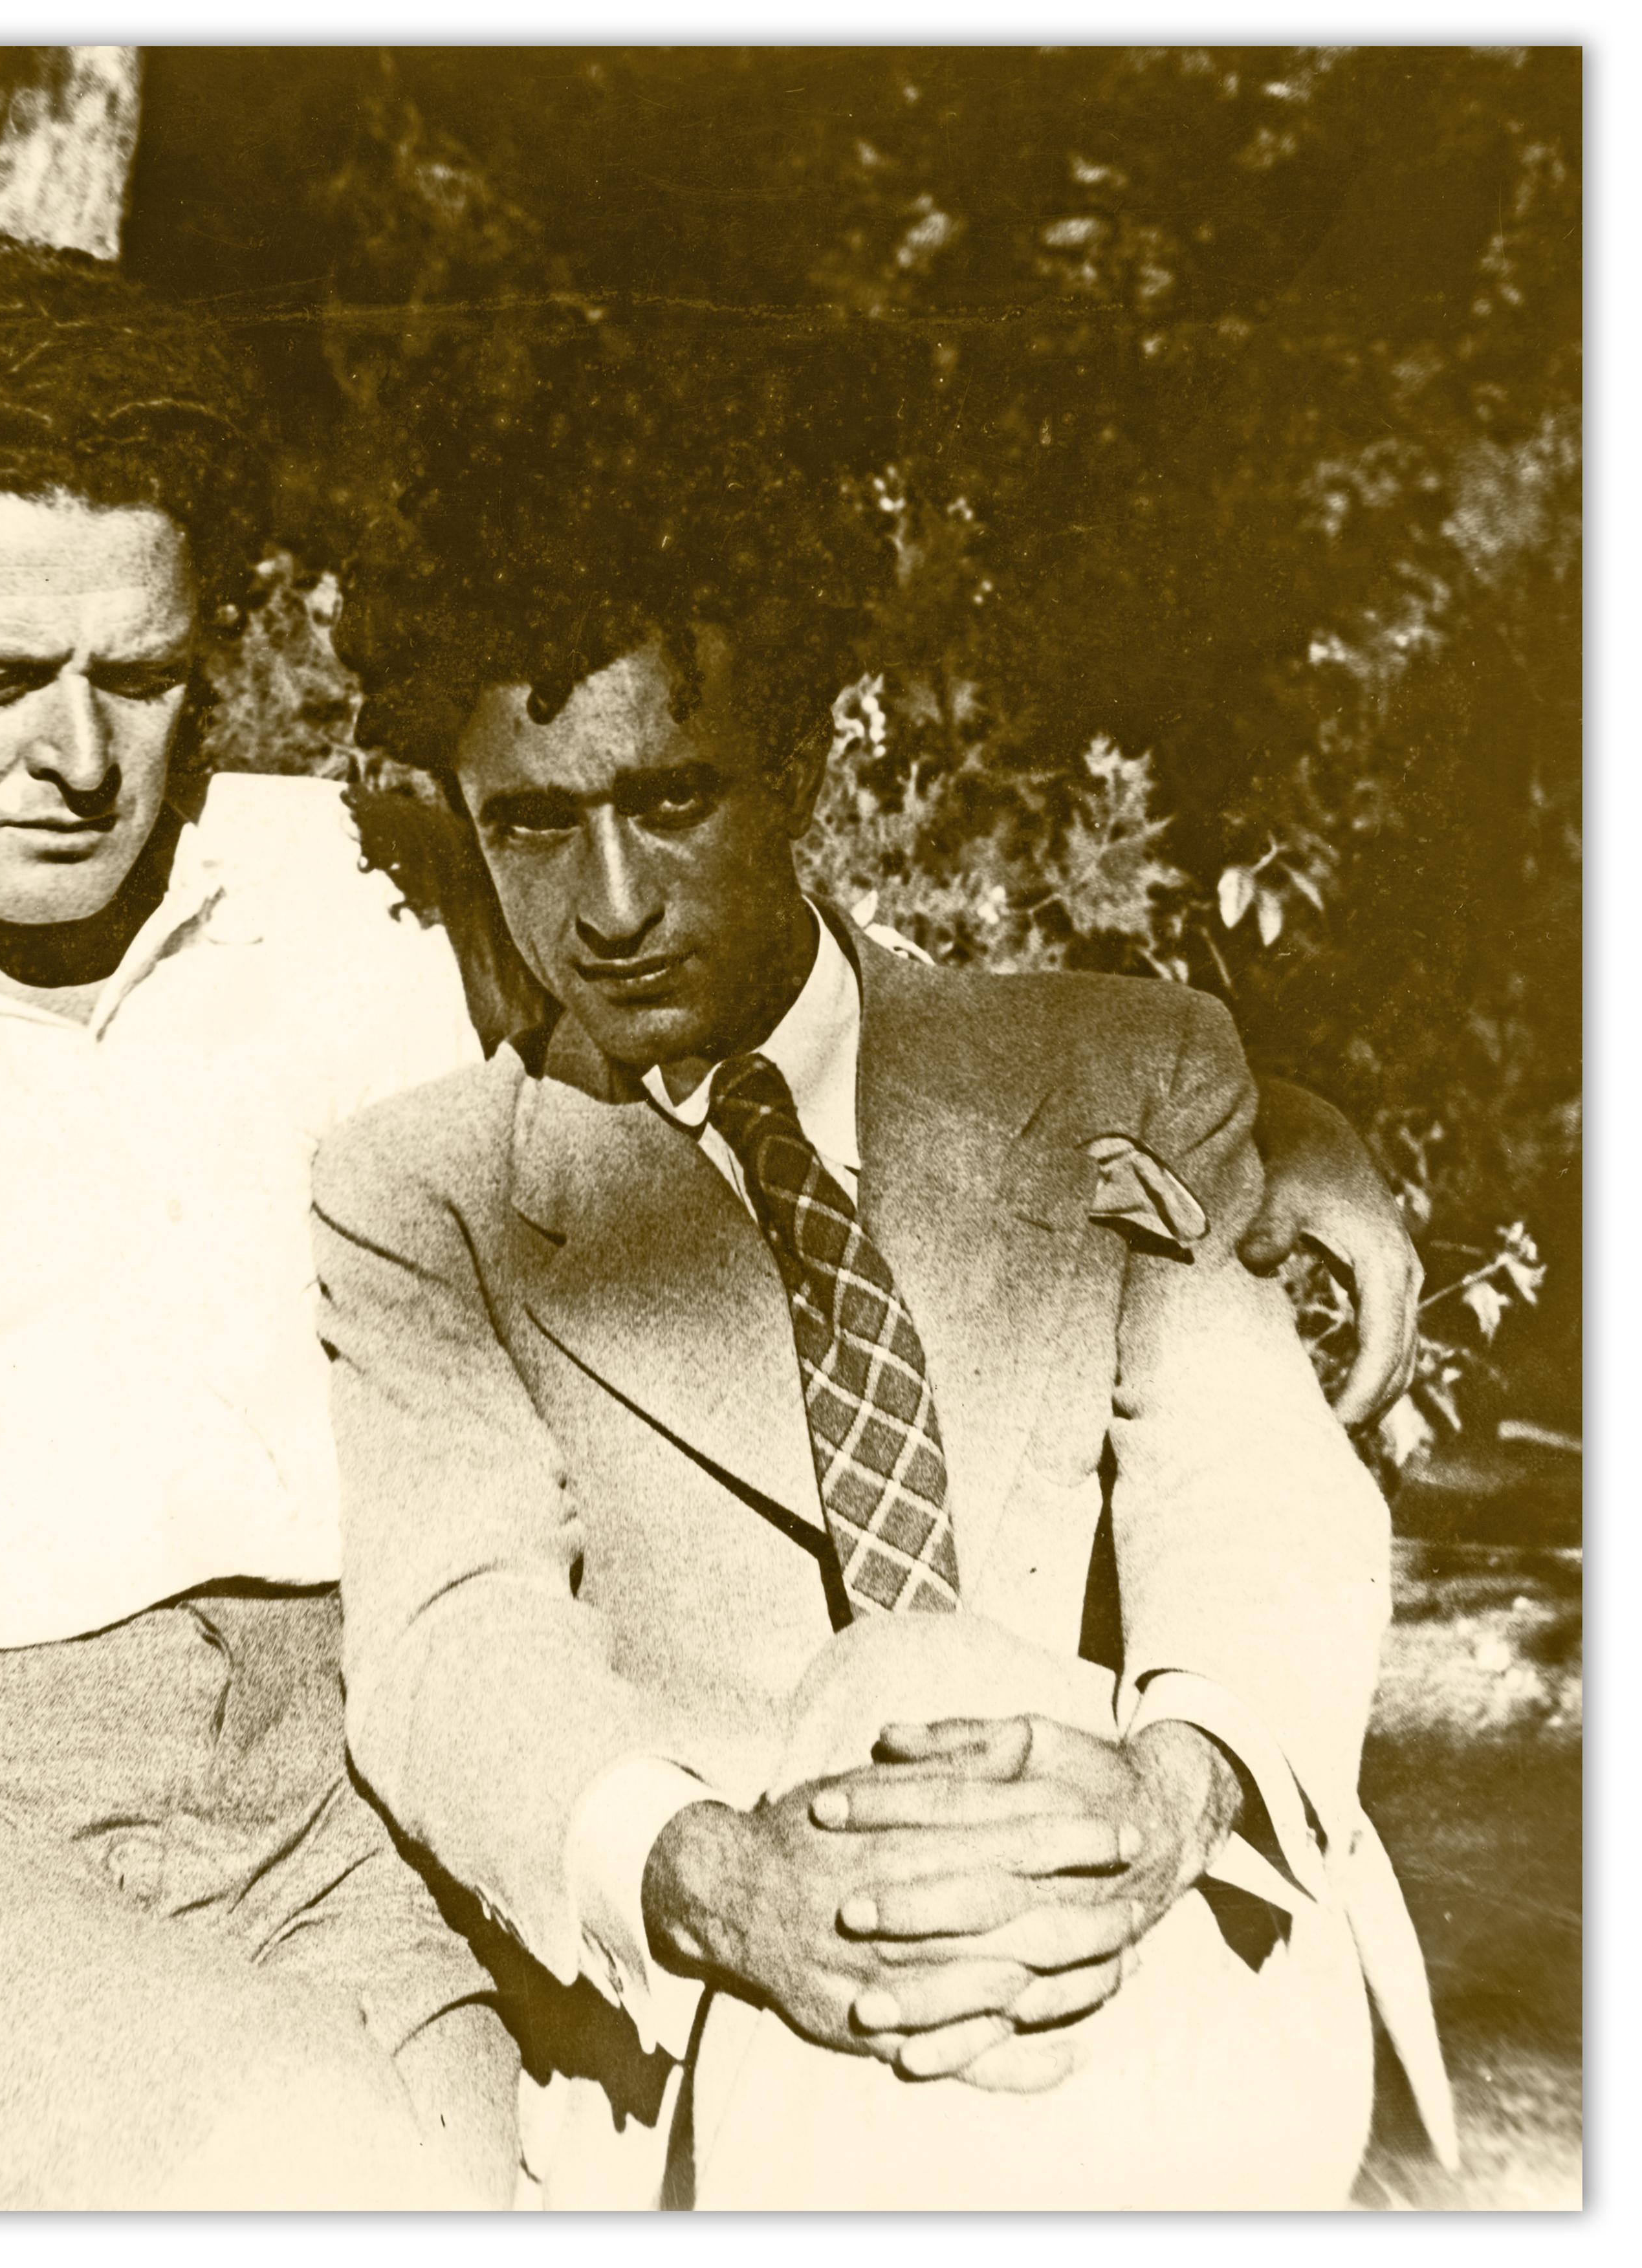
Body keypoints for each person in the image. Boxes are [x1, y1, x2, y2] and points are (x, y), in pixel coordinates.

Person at [0, 243, 1421, 2212]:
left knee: (483, 2174)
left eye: (140, 675)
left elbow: (734, 958)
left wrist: (1285, 1128)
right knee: (289, 2168)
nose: (76, 756)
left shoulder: (358, 886)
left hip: (337, 1816)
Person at [311, 531, 1456, 2207]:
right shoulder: (426, 1193)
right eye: (533, 825)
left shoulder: (1120, 1064)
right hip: (745, 1987)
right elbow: (455, 1624)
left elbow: (1249, 1476)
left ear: (802, 766)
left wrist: (1166, 1796)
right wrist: (720, 1883)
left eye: (674, 800)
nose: (609, 907)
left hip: (1147, 1918)